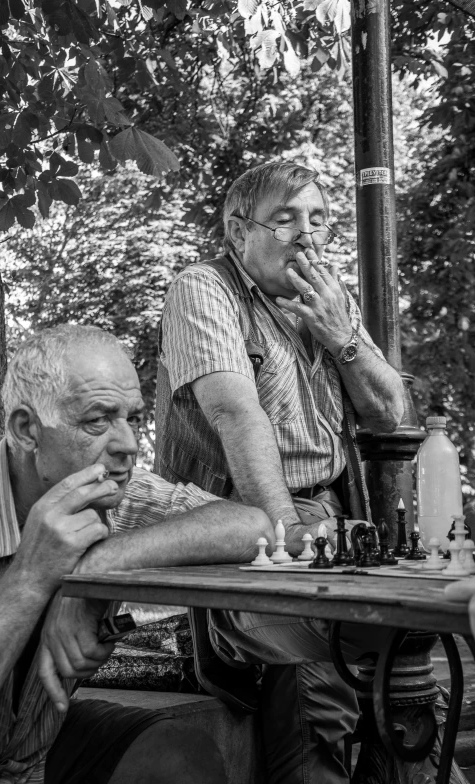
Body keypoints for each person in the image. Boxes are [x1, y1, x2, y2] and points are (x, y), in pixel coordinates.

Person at [156, 161, 405, 783]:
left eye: (318, 218)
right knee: (317, 675)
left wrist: (342, 337)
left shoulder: (328, 298)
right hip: (239, 522)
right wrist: (288, 534)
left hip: (334, 514)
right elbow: (236, 414)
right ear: (240, 232)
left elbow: (388, 411)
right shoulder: (203, 286)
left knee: (404, 670)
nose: (308, 234)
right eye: (286, 218)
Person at [0, 325, 273, 784]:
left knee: (180, 756)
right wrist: (33, 576)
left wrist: (93, 572)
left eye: (131, 417)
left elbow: (252, 526)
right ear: (27, 430)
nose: (126, 444)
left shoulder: (111, 490)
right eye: (98, 421)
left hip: (31, 756)